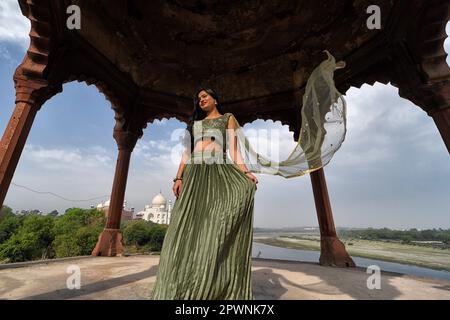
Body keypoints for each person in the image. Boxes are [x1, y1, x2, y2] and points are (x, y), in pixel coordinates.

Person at [150, 50, 347, 300]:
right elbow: (186, 155)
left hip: (218, 171)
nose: (200, 100)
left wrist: (246, 174)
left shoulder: (227, 119)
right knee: (184, 229)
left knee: (214, 226)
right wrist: (178, 178)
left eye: (204, 96)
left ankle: (210, 283)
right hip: (193, 176)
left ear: (215, 99)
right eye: (198, 97)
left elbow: (234, 152)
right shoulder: (195, 126)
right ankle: (180, 283)